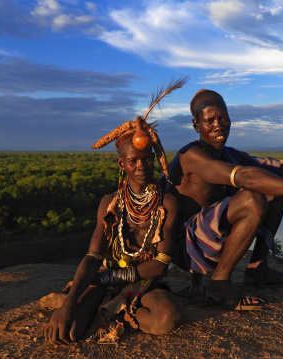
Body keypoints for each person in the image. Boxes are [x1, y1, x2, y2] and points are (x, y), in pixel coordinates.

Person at [165, 89, 283, 311]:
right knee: (253, 198)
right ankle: (219, 284)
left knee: (274, 187)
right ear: (196, 125)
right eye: (210, 120)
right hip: (187, 250)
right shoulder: (191, 155)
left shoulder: (227, 153)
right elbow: (245, 177)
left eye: (224, 118)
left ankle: (258, 267)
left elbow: (280, 169)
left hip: (208, 235)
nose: (219, 125)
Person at [42, 79, 187, 344]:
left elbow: (160, 265)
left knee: (167, 318)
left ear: (154, 159)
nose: (141, 165)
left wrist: (104, 279)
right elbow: (93, 255)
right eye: (133, 160)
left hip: (145, 282)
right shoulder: (109, 203)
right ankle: (80, 299)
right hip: (106, 277)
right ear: (122, 163)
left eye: (146, 159)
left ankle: (116, 311)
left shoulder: (168, 203)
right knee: (70, 332)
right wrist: (70, 303)